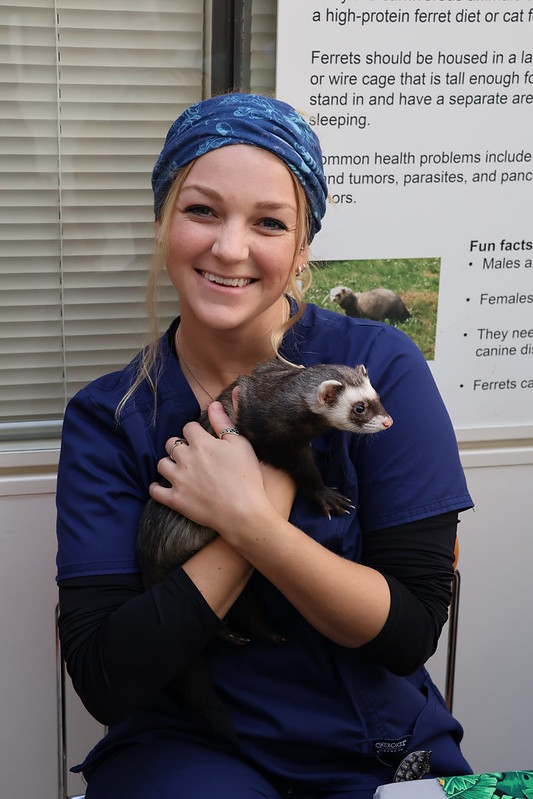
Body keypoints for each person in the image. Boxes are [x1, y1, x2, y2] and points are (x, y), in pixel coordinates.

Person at [56, 92, 474, 799]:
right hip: (185, 746)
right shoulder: (110, 415)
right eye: (201, 210)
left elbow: (409, 632)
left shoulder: (382, 365)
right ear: (163, 221)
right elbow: (106, 677)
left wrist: (252, 516)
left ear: (302, 245)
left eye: (269, 222)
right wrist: (254, 509)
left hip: (374, 735)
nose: (229, 247)